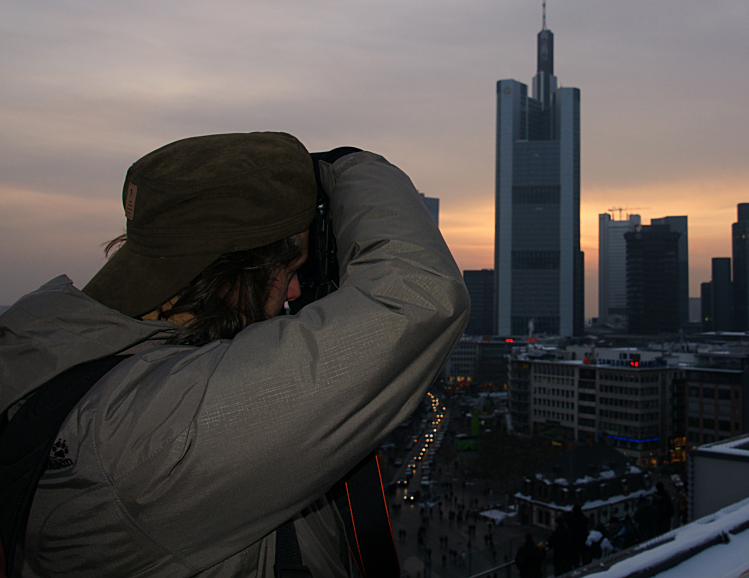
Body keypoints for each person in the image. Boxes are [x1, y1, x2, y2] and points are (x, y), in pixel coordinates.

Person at [0, 132, 470, 576]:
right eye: (286, 269)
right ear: (230, 272)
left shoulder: (60, 350)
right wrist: (353, 166)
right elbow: (417, 299)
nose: (293, 290)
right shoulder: (149, 434)